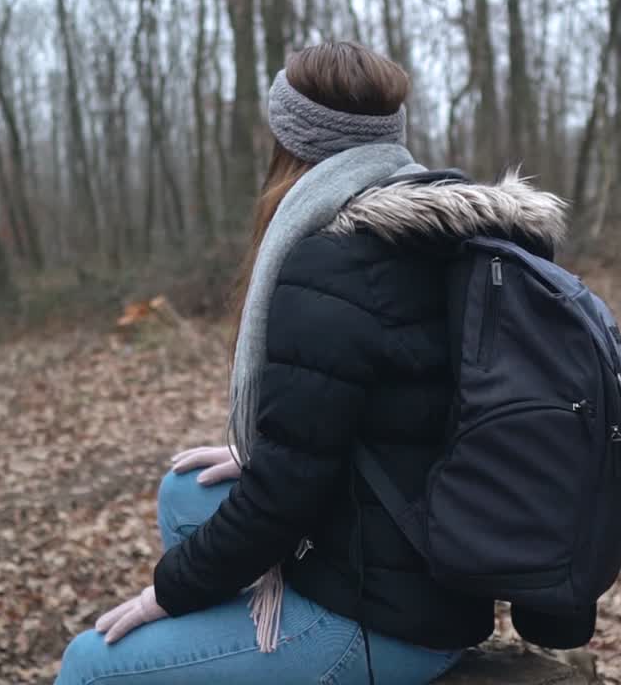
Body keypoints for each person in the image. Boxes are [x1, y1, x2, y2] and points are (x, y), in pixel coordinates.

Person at [56, 41, 570, 685]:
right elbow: (399, 414)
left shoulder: (334, 261)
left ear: (290, 141)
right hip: (435, 567)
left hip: (386, 624)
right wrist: (268, 451)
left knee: (89, 666)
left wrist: (167, 596)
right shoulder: (440, 231)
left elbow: (284, 495)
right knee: (185, 493)